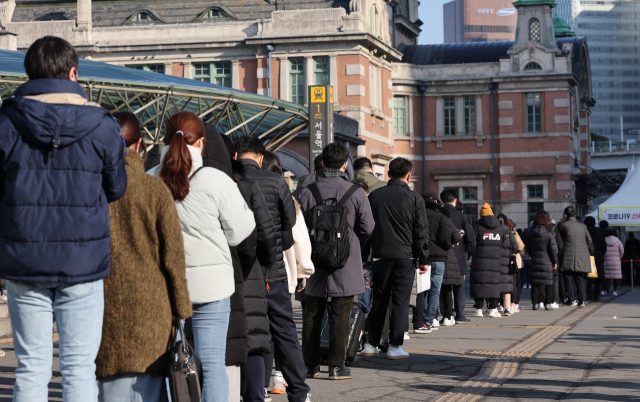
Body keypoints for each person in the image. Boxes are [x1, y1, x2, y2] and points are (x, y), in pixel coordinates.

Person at [0, 36, 127, 401]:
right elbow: (116, 187)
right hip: (82, 263)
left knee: (31, 367)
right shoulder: (102, 125)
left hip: (24, 260)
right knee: (78, 368)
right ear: (73, 72)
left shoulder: (7, 121)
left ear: (29, 72)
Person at [149, 112, 256, 402]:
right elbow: (240, 232)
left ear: (165, 141)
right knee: (212, 364)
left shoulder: (150, 180)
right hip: (212, 285)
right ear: (202, 143)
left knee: (169, 362)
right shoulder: (214, 179)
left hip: (165, 287)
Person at [95, 112, 192, 401]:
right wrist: (182, 309)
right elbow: (173, 258)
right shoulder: (154, 189)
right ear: (140, 145)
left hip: (102, 306)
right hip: (153, 312)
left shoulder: (92, 189)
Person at [235, 137, 311, 402]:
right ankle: (299, 392)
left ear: (236, 156)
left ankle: (253, 392)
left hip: (241, 273)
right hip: (273, 271)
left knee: (246, 333)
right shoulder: (277, 181)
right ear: (260, 157)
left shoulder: (230, 181)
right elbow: (290, 220)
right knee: (284, 332)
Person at [297, 143, 374, 379]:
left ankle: (310, 366)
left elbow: (295, 225)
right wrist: (351, 246)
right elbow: (368, 227)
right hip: (346, 261)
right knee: (341, 315)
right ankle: (336, 366)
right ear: (344, 165)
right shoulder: (356, 192)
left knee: (311, 314)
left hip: (314, 259)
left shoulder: (306, 191)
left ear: (321, 163)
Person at [221, 134, 278, 402]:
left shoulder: (188, 185)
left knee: (217, 341)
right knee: (253, 337)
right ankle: (255, 396)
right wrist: (264, 262)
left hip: (216, 272)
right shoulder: (246, 186)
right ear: (234, 157)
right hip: (249, 270)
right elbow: (267, 234)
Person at [362, 157, 428, 359]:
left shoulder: (374, 196)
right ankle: (395, 346)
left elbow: (366, 228)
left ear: (388, 174)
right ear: (409, 176)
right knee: (400, 301)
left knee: (378, 300)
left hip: (380, 255)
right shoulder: (415, 199)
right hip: (405, 257)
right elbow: (421, 231)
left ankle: (371, 344)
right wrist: (424, 258)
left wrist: (365, 256)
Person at [263, 151, 315, 393]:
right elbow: (301, 241)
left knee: (260, 327)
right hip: (284, 272)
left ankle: (263, 381)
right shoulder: (290, 201)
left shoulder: (247, 189)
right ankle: (279, 376)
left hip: (258, 273)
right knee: (283, 328)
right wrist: (304, 270)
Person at [413, 191, 460, 332]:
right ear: (435, 202)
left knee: (422, 292)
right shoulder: (441, 217)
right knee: (434, 291)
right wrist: (446, 246)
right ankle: (430, 320)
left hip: (421, 258)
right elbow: (455, 236)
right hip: (438, 258)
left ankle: (422, 320)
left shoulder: (417, 216)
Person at [440, 189, 476, 323]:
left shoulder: (439, 213)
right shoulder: (462, 216)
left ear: (442, 201)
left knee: (443, 286)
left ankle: (445, 315)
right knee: (459, 287)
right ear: (455, 201)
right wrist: (467, 254)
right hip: (459, 256)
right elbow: (470, 239)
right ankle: (460, 314)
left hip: (442, 255)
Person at [470, 204, 503, 318]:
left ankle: (478, 309)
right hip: (495, 262)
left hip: (479, 262)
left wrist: (470, 256)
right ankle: (492, 309)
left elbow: (472, 243)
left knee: (479, 284)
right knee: (493, 284)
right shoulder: (499, 228)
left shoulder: (477, 227)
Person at [557, 206, 594, 307]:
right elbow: (589, 241)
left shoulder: (562, 226)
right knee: (580, 278)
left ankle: (571, 299)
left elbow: (557, 239)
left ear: (565, 215)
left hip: (567, 254)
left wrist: (560, 222)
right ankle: (582, 300)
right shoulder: (582, 226)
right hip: (581, 256)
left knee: (568, 277)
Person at [526, 213, 558, 310]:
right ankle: (547, 304)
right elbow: (553, 250)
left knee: (535, 283)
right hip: (547, 261)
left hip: (535, 260)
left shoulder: (530, 233)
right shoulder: (549, 234)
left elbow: (528, 248)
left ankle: (535, 304)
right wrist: (555, 262)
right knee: (548, 282)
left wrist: (533, 255)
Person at [439, 206, 464, 326]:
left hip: (429, 255)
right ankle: (448, 316)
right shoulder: (446, 221)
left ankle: (431, 317)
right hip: (446, 255)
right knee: (447, 287)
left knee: (431, 289)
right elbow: (456, 237)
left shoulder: (427, 218)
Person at [497, 214, 520, 316]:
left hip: (496, 260)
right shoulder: (508, 231)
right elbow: (516, 246)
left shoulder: (494, 230)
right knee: (508, 283)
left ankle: (497, 306)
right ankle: (507, 308)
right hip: (507, 261)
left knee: (497, 283)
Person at [584, 216, 607, 301]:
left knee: (587, 276)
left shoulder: (584, 232)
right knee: (599, 277)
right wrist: (600, 254)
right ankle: (596, 295)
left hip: (586, 256)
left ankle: (589, 294)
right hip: (597, 256)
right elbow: (604, 246)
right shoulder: (599, 232)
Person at [603, 228, 624, 296]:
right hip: (616, 262)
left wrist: (604, 258)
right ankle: (614, 291)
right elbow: (622, 251)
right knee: (615, 277)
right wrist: (618, 258)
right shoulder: (618, 241)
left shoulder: (605, 240)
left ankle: (604, 290)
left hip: (606, 261)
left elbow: (602, 250)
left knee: (606, 276)